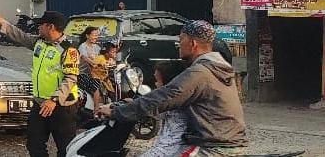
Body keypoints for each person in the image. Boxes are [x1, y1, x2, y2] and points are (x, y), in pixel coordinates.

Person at [95, 20, 247, 156]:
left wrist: (116, 112)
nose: (179, 44)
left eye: (181, 39)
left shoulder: (200, 72)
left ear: (192, 43)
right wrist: (129, 104)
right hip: (227, 143)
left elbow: (163, 98)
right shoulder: (218, 68)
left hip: (213, 148)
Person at [0, 0, 79, 157]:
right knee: (34, 145)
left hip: (62, 107)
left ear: (50, 27)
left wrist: (54, 100)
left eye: (41, 25)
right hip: (40, 104)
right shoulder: (40, 42)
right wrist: (0, 20)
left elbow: (70, 79)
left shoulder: (68, 50)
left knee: (66, 149)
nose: (38, 27)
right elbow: (20, 36)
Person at [140, 60, 190, 157]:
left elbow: (149, 109)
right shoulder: (180, 99)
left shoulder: (172, 103)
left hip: (173, 150)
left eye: (158, 81)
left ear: (169, 84)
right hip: (167, 147)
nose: (156, 84)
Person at [78, 26, 104, 106]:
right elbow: (86, 59)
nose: (96, 37)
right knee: (96, 84)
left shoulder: (97, 47)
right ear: (87, 36)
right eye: (94, 35)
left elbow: (101, 58)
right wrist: (95, 63)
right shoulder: (82, 46)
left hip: (95, 73)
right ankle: (96, 109)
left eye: (97, 35)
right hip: (83, 74)